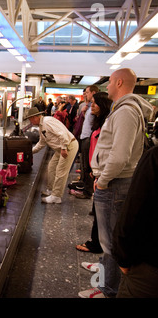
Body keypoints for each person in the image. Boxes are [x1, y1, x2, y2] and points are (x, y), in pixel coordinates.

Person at [78, 68, 153, 299]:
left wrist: (103, 179)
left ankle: (109, 288)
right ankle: (104, 271)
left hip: (114, 184)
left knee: (109, 240)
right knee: (105, 236)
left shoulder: (125, 112)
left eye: (109, 82)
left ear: (119, 82)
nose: (107, 87)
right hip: (113, 182)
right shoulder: (122, 110)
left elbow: (120, 155)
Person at [112, 145, 158, 297]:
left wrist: (122, 257)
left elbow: (134, 211)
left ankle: (106, 284)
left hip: (149, 266)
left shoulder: (155, 157)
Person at [75, 92, 111, 254]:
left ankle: (96, 245)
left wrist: (99, 174)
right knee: (98, 211)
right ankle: (96, 243)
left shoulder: (107, 124)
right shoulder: (99, 121)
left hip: (102, 175)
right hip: (97, 172)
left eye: (95, 103)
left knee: (102, 214)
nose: (92, 106)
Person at [26, 107, 79, 204]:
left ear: (35, 117)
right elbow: (41, 143)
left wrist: (63, 148)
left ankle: (56, 196)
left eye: (30, 119)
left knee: (61, 171)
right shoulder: (42, 126)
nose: (30, 121)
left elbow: (62, 134)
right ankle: (51, 190)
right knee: (51, 167)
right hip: (60, 149)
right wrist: (29, 152)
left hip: (68, 147)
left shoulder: (47, 121)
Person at [70, 85, 99, 199]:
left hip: (89, 138)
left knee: (87, 165)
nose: (85, 94)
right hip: (84, 137)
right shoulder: (88, 106)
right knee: (83, 164)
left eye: (87, 92)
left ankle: (88, 191)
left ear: (93, 92)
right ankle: (84, 185)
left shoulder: (95, 107)